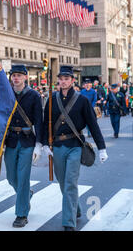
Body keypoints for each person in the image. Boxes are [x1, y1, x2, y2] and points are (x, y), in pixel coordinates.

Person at [43, 66, 108, 231]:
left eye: (67, 78)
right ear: (58, 80)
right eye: (61, 78)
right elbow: (45, 124)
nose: (63, 81)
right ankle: (75, 208)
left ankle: (68, 222)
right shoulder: (51, 100)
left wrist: (102, 148)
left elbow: (93, 125)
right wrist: (44, 144)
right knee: (63, 182)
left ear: (73, 81)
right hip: (57, 146)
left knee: (71, 182)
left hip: (75, 146)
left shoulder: (82, 100)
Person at [3, 65, 44, 228]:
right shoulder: (6, 94)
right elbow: (1, 117)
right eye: (14, 75)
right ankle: (27, 195)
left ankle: (21, 214)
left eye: (19, 75)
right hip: (11, 140)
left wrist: (39, 145)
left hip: (27, 141)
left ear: (26, 77)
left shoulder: (34, 95)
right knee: (11, 177)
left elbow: (39, 121)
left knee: (23, 178)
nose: (16, 78)